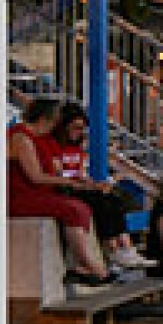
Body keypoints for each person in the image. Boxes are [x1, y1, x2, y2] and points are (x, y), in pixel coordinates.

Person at [6, 96, 117, 286]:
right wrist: (71, 183)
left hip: (41, 193)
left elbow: (55, 170)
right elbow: (35, 176)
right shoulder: (21, 137)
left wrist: (81, 182)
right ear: (43, 119)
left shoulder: (41, 140)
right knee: (73, 209)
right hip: (23, 196)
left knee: (81, 207)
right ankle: (88, 264)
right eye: (55, 120)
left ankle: (85, 265)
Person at [44, 103, 147, 275]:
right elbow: (59, 174)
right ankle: (112, 249)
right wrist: (85, 185)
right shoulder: (54, 146)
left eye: (82, 129)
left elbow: (80, 173)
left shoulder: (76, 147)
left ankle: (125, 247)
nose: (79, 132)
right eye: (75, 128)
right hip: (64, 188)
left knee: (114, 197)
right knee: (100, 201)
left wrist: (94, 184)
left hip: (78, 185)